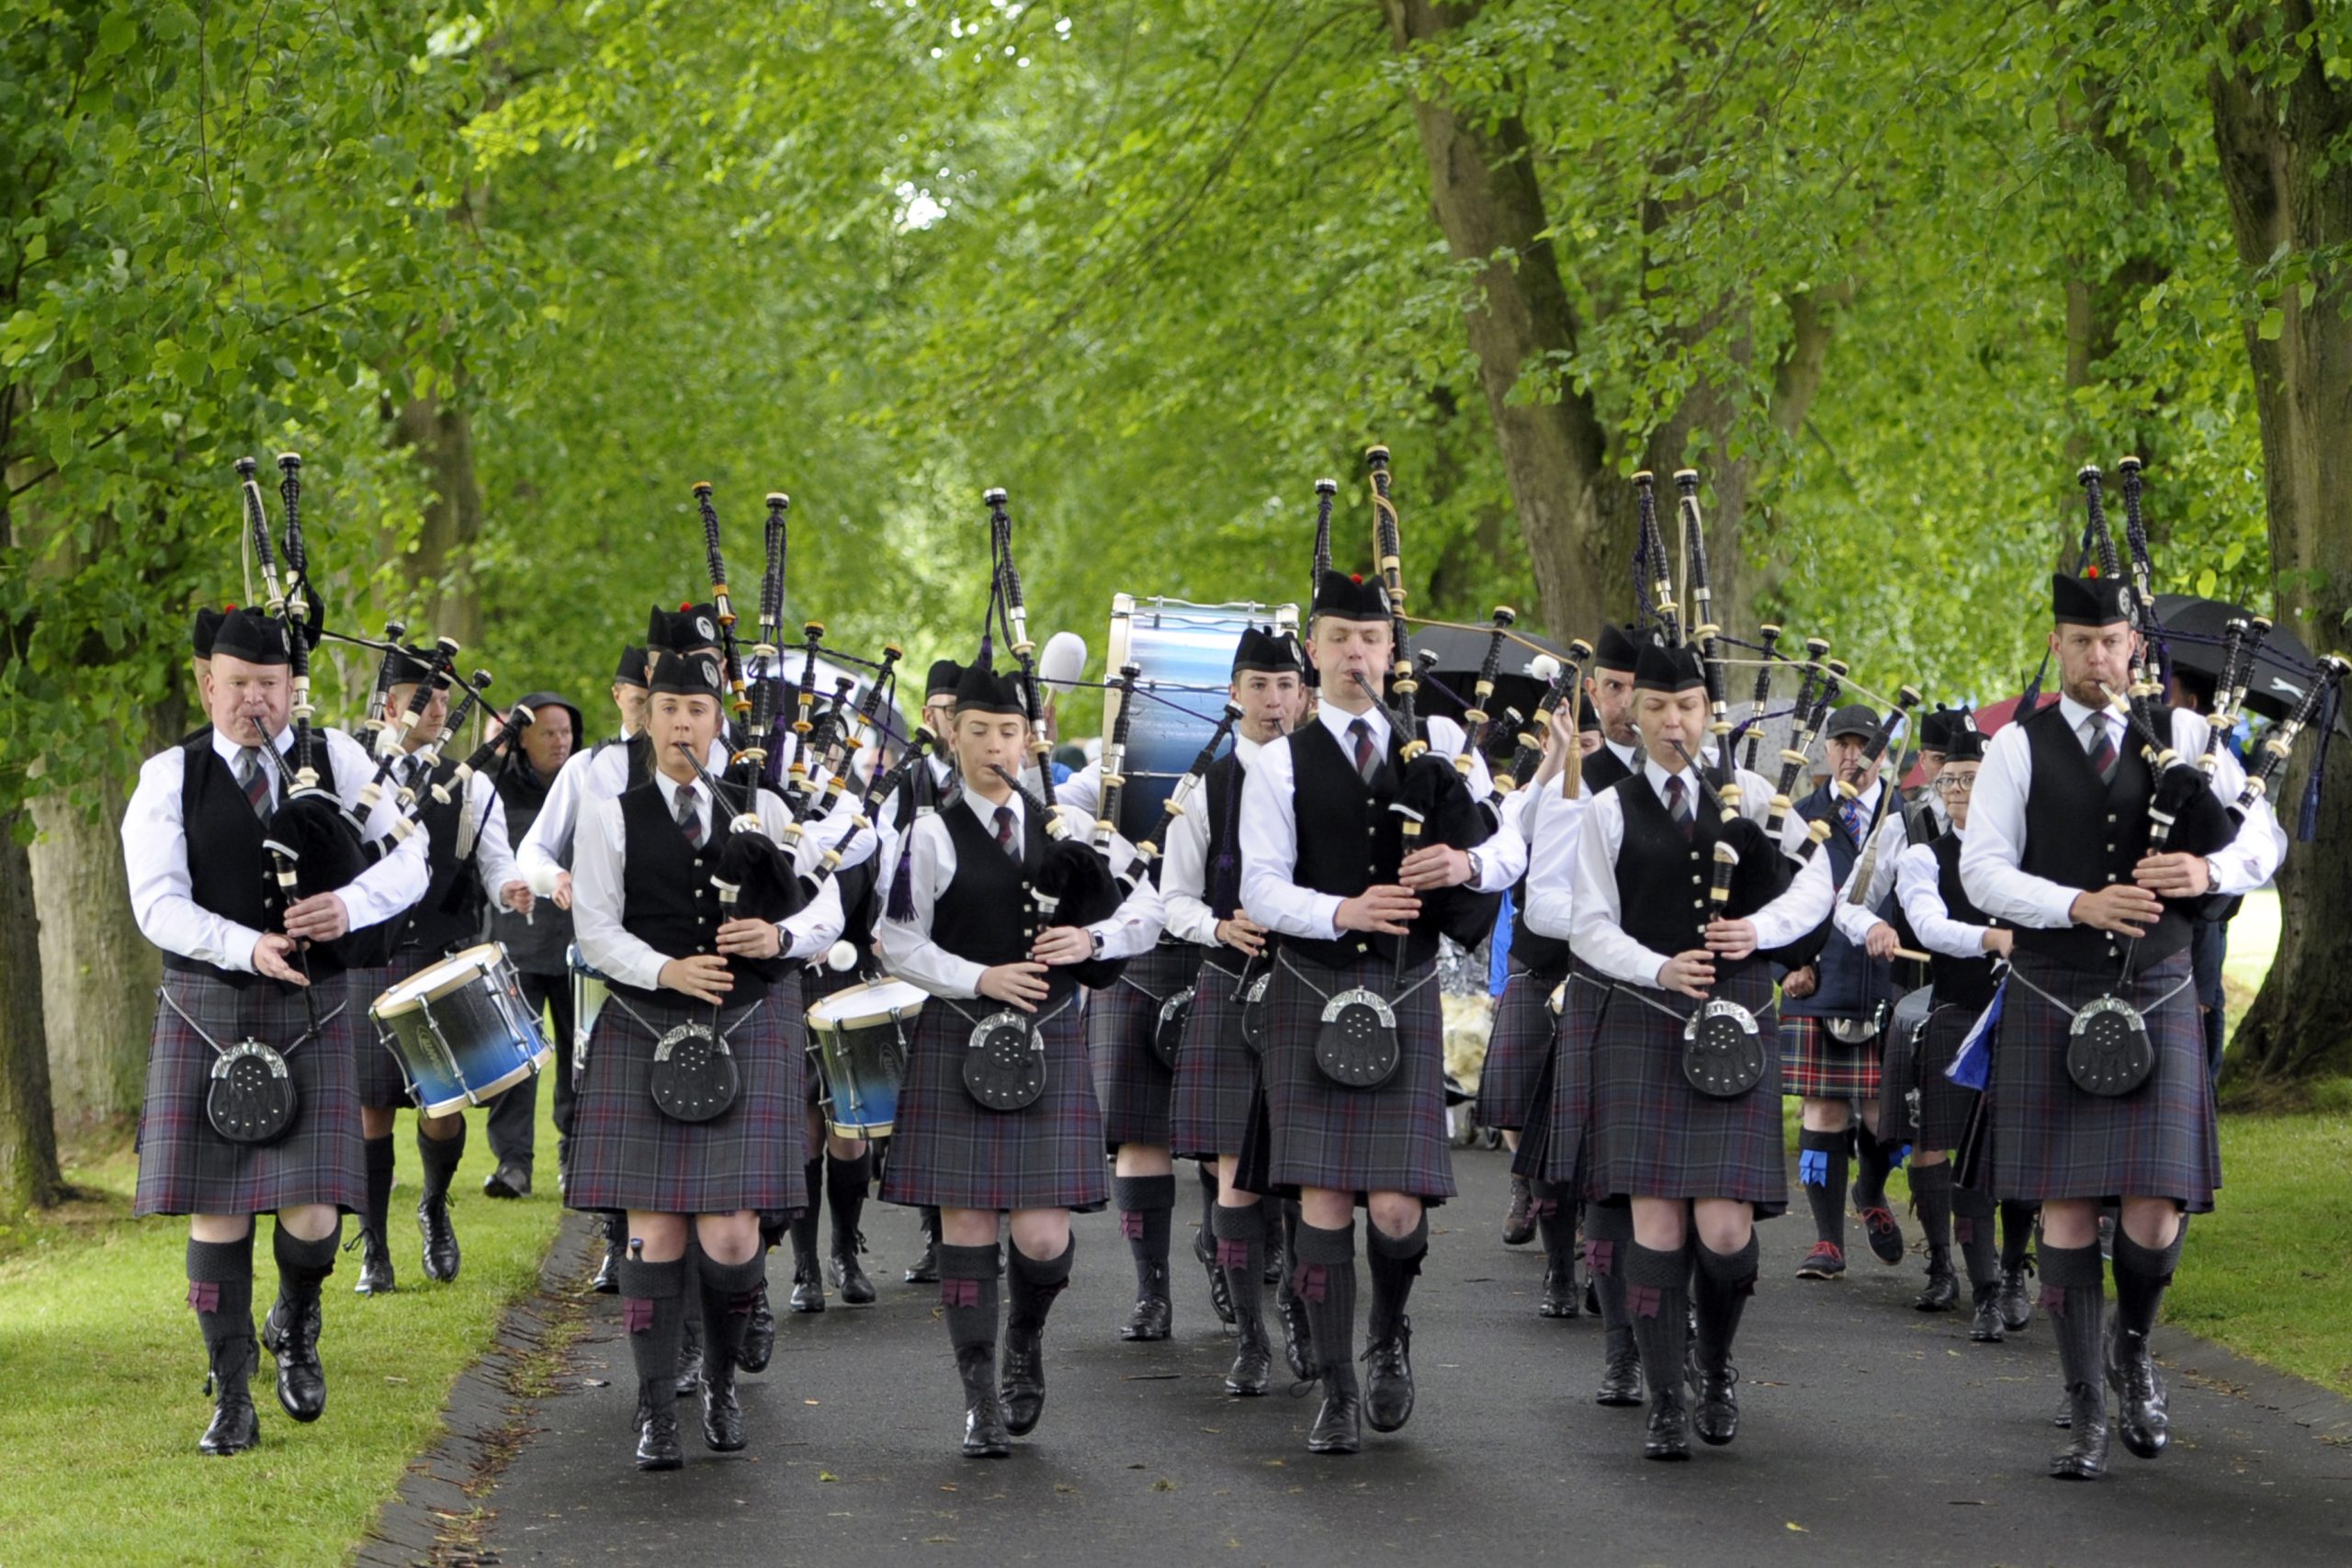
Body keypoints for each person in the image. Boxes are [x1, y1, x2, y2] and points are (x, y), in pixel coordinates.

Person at [1960, 571, 2285, 1480]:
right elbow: (1980, 873)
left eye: (2110, 642)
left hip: (2163, 989)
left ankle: (2132, 1350)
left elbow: (2262, 841)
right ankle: (2083, 1412)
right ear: (2055, 646)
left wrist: (2209, 873)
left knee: (2154, 1205)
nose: (2096, 658)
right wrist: (2077, 904)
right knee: (2064, 1206)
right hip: (2057, 987)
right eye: (2078, 641)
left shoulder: (2189, 737)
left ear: (2133, 648)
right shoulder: (2015, 750)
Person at [121, 606, 429, 1454]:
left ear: (292, 687)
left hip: (314, 1006)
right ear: (205, 682)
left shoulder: (337, 757)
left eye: (272, 686)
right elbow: (157, 903)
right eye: (239, 685)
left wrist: (349, 905)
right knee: (218, 1212)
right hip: (210, 1005)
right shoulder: (168, 778)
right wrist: (244, 944)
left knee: (314, 1212)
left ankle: (296, 1318)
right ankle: (230, 1394)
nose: (255, 702)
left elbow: (413, 853)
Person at [1237, 569, 1526, 1455]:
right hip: (1313, 990)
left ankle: (1389, 1335)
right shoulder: (1277, 760)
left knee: (1397, 1208)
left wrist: (1467, 868)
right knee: (1323, 1197)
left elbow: (1511, 839)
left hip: (1401, 996)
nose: (1355, 653)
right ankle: (1335, 1385)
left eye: (1370, 639)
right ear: (1314, 651)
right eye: (1338, 638)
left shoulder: (1435, 744)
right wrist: (1343, 911)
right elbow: (1259, 886)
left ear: (1390, 651)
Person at [876, 657, 1165, 1458]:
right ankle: (979, 1398)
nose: (996, 745)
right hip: (962, 1035)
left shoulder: (1071, 831)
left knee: (1041, 1237)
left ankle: (1024, 1343)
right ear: (952, 735)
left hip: (1050, 1040)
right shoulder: (927, 832)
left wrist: (1091, 937)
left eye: (1009, 730)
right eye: (979, 731)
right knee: (966, 1224)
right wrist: (979, 975)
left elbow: (1150, 908)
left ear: (1031, 738)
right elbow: (896, 939)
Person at [569, 649, 847, 1470]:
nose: (683, 722)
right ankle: (656, 1410)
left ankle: (721, 1384)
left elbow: (828, 906)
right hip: (646, 1020)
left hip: (751, 1018)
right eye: (668, 708)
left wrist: (780, 936)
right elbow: (594, 929)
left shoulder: (764, 802)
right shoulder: (611, 811)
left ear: (717, 719)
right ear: (645, 717)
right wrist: (666, 969)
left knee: (730, 1238)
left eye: (697, 708)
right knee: (654, 1233)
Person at [1571, 638, 1827, 1460]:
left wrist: (1760, 929)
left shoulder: (1753, 794)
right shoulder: (1606, 806)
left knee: (1721, 1231)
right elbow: (1588, 922)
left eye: (1686, 707)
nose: (1672, 721)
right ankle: (1665, 1397)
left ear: (1709, 714)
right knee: (1655, 1222)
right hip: (1647, 1015)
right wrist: (1656, 964)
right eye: (1655, 707)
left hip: (1736, 1018)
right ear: (1634, 715)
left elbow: (1816, 885)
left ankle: (1714, 1364)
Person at [346, 648, 531, 1296]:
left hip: (441, 959)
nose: (438, 710)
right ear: (391, 705)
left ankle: (432, 1205)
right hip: (369, 956)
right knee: (371, 1109)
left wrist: (512, 888)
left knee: (441, 1105)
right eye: (425, 698)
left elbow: (497, 859)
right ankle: (373, 1247)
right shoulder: (354, 771)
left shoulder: (473, 782)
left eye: (447, 701)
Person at [1164, 625, 1311, 1394]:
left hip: (1310, 985)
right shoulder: (1207, 789)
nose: (1273, 700)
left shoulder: (1322, 779)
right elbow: (1174, 899)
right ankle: (1251, 1339)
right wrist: (1217, 925)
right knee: (1235, 1174)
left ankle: (1300, 1315)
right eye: (1258, 685)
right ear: (1233, 693)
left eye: (1285, 685)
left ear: (1303, 694)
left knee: (1303, 1176)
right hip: (1230, 976)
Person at [1864, 725, 2010, 1323]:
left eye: (1969, 778)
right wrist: (1993, 937)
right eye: (1948, 778)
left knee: (2005, 1150)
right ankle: (1942, 1267)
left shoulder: (2021, 850)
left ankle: (2000, 1282)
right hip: (1953, 1007)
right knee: (1936, 1143)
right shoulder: (1925, 854)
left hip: (2017, 1013)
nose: (1956, 789)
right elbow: (1926, 925)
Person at [1781, 704, 1913, 1281]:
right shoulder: (1799, 818)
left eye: (1865, 746)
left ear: (1883, 755)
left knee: (1888, 1119)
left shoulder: (1908, 817)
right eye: (1843, 744)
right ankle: (1827, 1242)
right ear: (1827, 749)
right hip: (1819, 979)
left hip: (1893, 983)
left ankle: (1870, 1189)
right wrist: (1787, 964)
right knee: (1825, 1109)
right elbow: (1773, 902)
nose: (1852, 756)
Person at [483, 691, 585, 1195]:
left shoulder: (588, 785)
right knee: (517, 1059)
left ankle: (576, 1159)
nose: (560, 741)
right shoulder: (497, 789)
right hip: (515, 947)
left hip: (578, 946)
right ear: (521, 738)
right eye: (548, 732)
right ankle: (513, 1164)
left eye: (566, 732)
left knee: (578, 1058)